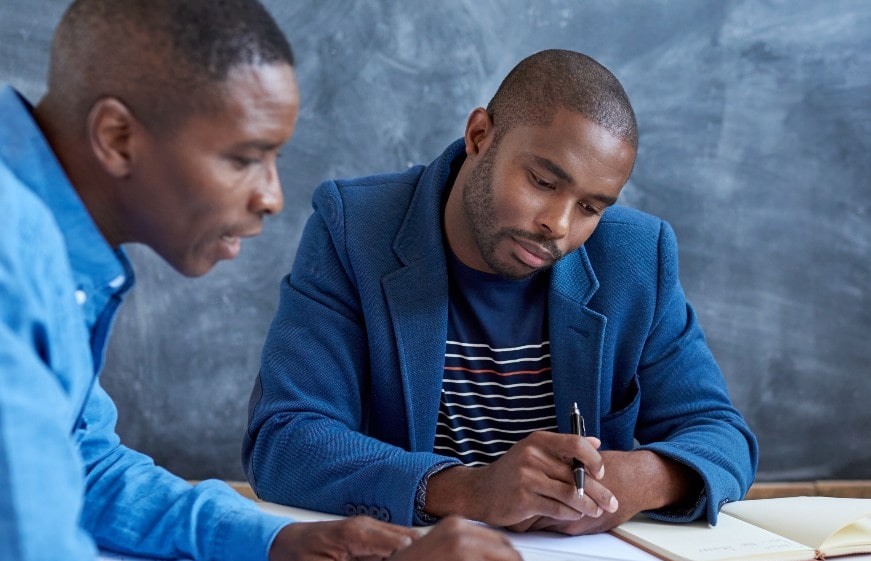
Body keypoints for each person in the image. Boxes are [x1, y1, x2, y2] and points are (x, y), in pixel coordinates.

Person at [0, 1, 528, 561]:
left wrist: (274, 543)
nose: (272, 196)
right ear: (117, 137)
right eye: (244, 158)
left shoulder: (7, 207)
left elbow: (84, 462)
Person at [244, 49, 759, 535]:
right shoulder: (356, 230)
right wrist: (471, 490)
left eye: (590, 208)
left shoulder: (637, 257)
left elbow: (722, 436)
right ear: (479, 135)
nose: (557, 225)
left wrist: (641, 479)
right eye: (541, 181)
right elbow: (284, 441)